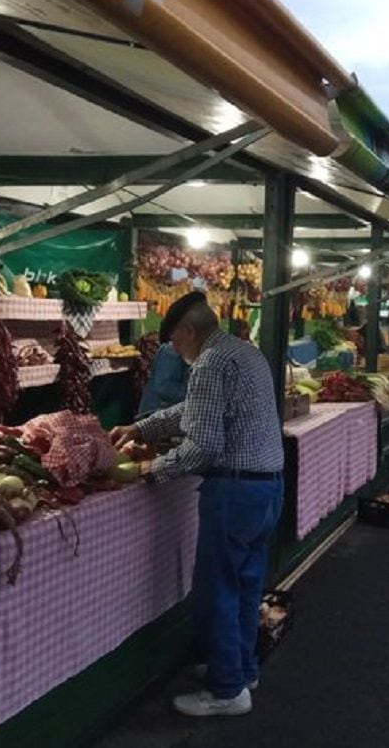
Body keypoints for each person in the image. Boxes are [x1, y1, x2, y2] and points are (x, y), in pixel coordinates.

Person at [111, 291, 284, 717]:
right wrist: (141, 428)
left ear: (189, 331)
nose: (174, 350)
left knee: (218, 591)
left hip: (234, 493)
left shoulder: (208, 363)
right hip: (267, 487)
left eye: (174, 341)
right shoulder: (244, 353)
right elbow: (196, 409)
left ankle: (227, 691)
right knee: (245, 587)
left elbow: (202, 446)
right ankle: (243, 670)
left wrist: (151, 470)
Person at [136, 341, 189, 417]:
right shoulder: (171, 350)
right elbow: (165, 388)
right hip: (155, 412)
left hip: (171, 413)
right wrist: (196, 395)